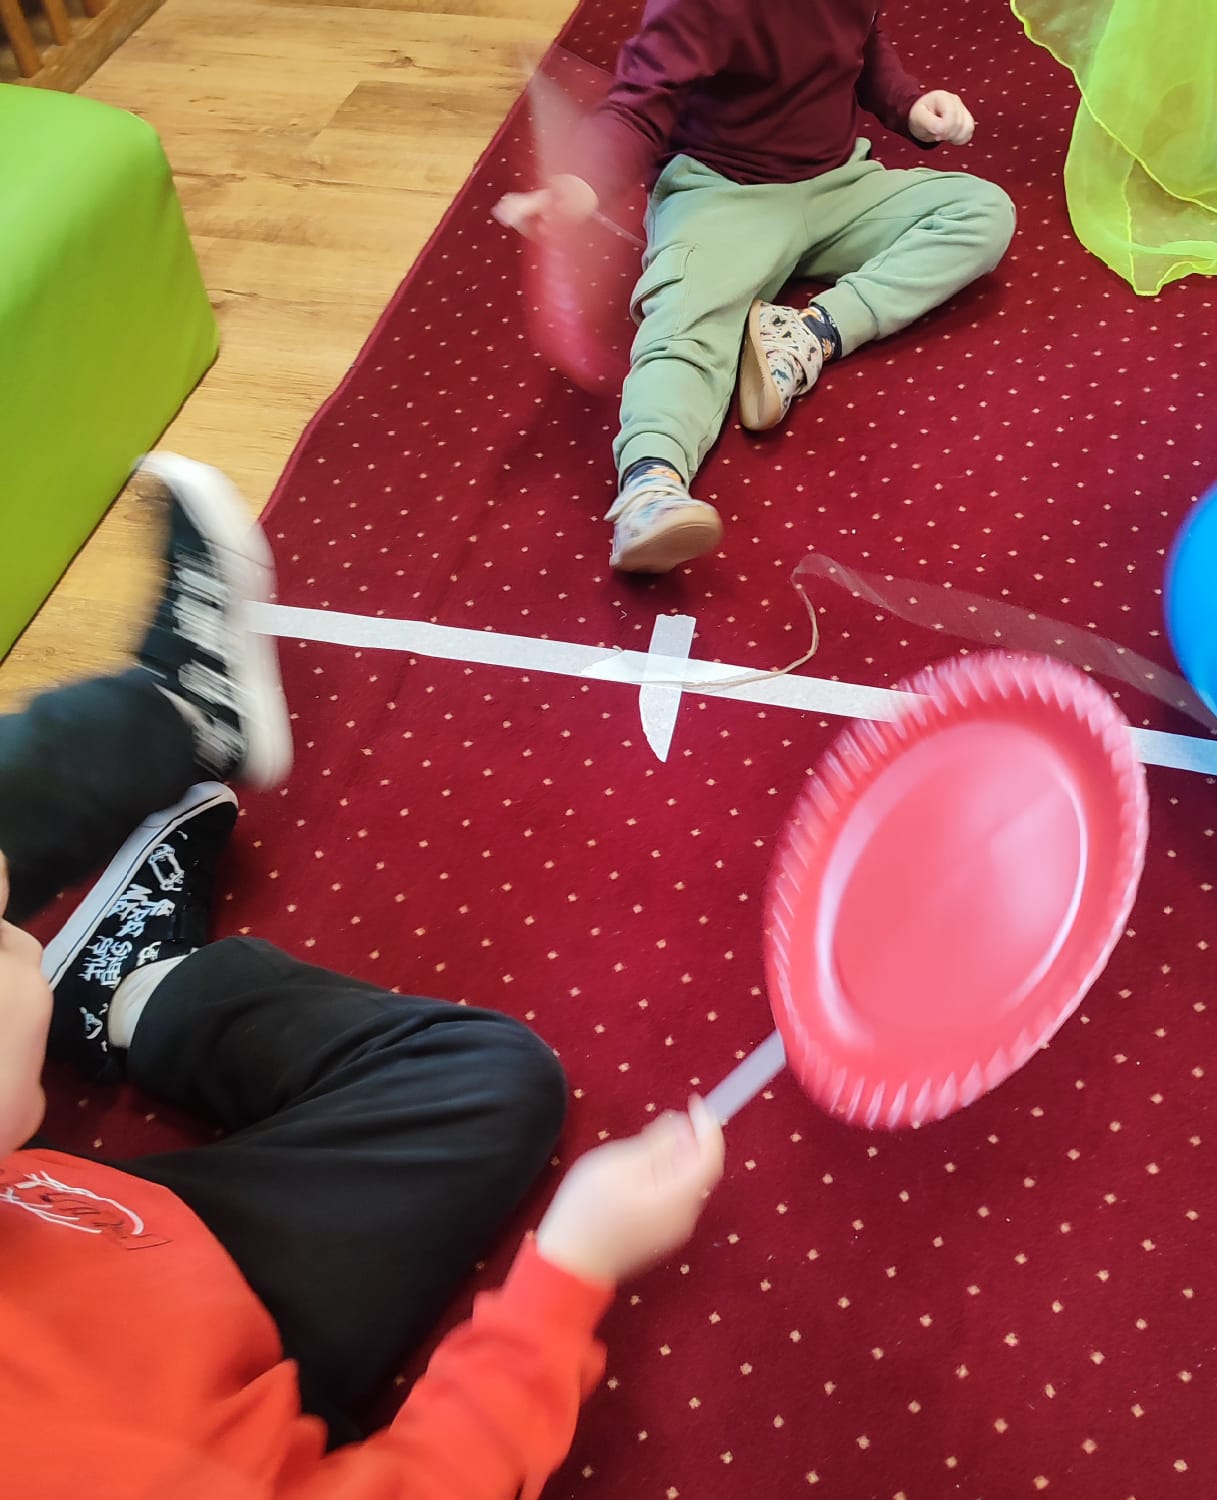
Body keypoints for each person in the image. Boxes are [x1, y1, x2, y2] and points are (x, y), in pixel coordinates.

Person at [0, 454, 726, 1498]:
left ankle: (171, 771)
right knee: (487, 1080)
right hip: (207, 1357)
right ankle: (133, 978)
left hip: (79, 1243)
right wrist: (571, 1274)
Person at [499, 0, 1017, 575]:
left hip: (837, 182)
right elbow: (638, 107)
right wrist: (581, 183)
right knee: (684, 326)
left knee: (983, 211)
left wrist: (910, 104)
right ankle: (650, 484)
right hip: (724, 193)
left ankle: (805, 333)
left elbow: (863, 45)